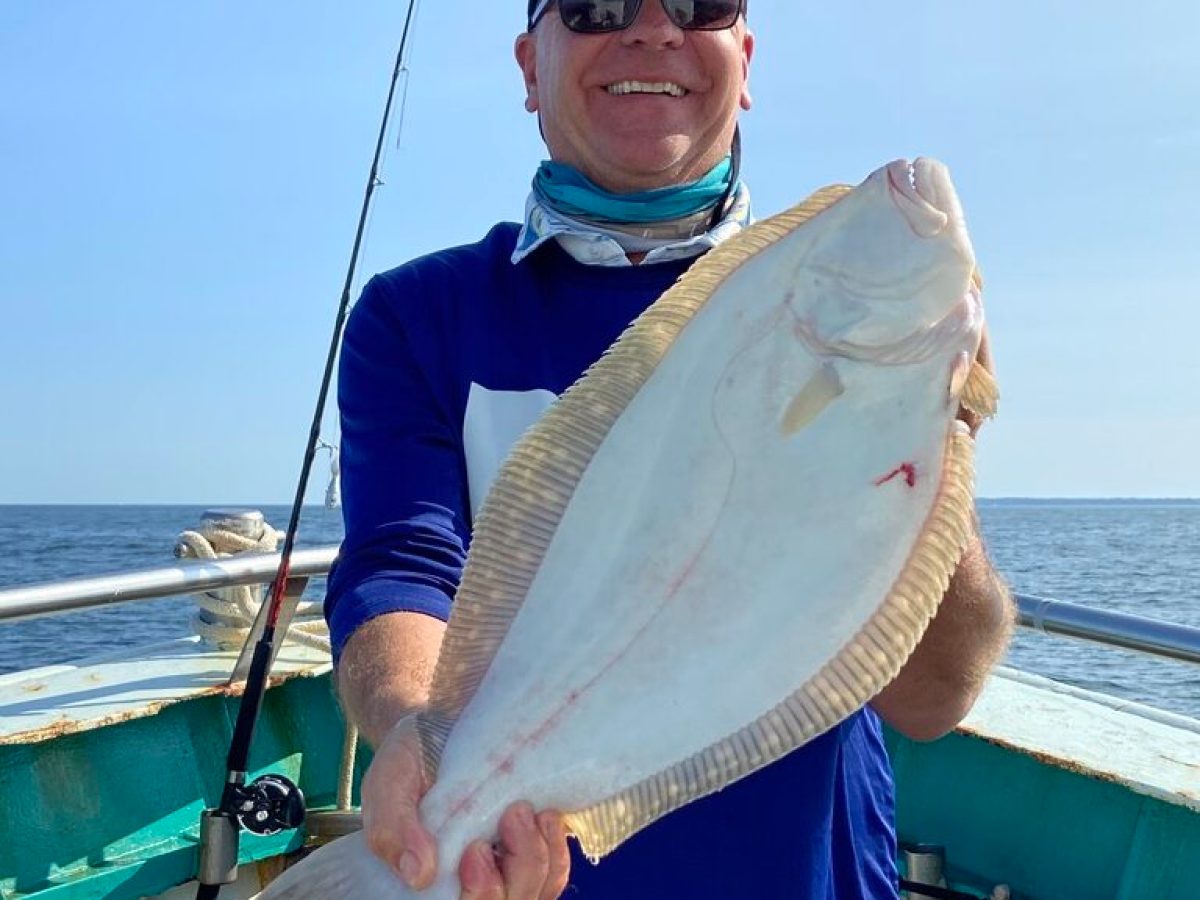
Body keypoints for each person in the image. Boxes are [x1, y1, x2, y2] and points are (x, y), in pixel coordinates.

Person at [324, 1, 1014, 897]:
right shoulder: (418, 316)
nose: (653, 31)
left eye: (699, 4)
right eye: (598, 5)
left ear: (744, 58)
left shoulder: (828, 341)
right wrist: (426, 739)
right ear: (530, 67)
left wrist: (932, 438)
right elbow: (403, 564)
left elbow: (933, 700)